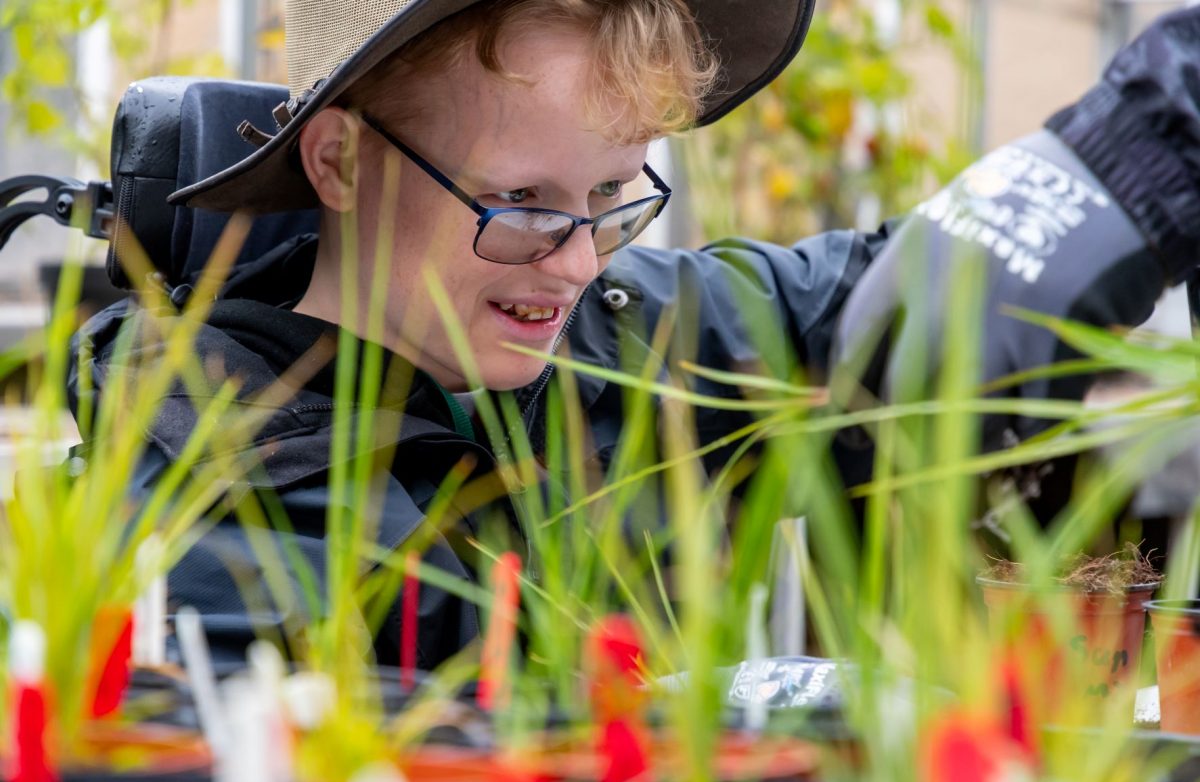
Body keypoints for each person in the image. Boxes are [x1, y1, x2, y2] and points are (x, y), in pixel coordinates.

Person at [70, 0, 1200, 667]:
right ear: (340, 160)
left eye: (615, 194)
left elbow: (897, 294)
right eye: (520, 205)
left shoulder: (638, 330)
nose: (575, 260)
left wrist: (1117, 171)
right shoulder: (205, 456)